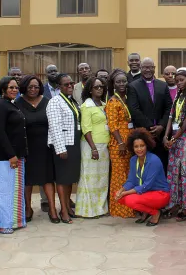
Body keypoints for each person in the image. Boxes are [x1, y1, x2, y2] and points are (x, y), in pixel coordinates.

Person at [15, 75, 58, 223]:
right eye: (30, 87)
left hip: (45, 147)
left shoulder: (47, 102)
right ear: (25, 87)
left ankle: (52, 209)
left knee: (47, 178)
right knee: (27, 180)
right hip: (26, 146)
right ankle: (27, 208)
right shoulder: (18, 103)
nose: (33, 89)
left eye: (36, 87)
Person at [0, 76, 27, 234]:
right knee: (2, 191)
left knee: (13, 190)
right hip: (3, 157)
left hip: (15, 155)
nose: (14, 90)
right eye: (11, 87)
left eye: (16, 88)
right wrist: (11, 155)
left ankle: (13, 220)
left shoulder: (11, 104)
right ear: (3, 89)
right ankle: (1, 224)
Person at [162, 70, 186, 221]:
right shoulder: (178, 96)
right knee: (172, 170)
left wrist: (175, 138)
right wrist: (166, 135)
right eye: (177, 81)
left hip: (185, 137)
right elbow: (171, 117)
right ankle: (174, 202)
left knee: (184, 171)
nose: (179, 83)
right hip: (174, 137)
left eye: (181, 80)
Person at [115, 128, 170, 226]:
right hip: (145, 193)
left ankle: (155, 213)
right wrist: (121, 190)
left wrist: (125, 193)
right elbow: (131, 181)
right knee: (117, 195)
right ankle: (146, 211)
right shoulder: (133, 160)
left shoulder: (154, 160)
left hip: (160, 194)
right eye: (136, 146)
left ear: (147, 146)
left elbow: (146, 186)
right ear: (132, 147)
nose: (139, 149)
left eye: (142, 146)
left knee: (129, 199)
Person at [47, 74, 82, 224]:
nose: (69, 86)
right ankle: (63, 210)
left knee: (70, 179)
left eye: (71, 84)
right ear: (58, 87)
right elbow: (54, 127)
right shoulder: (55, 102)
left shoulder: (72, 100)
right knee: (62, 179)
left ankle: (67, 206)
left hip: (74, 144)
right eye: (65, 84)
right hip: (63, 146)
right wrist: (60, 149)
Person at [127, 57, 173, 169]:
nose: (148, 70)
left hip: (161, 134)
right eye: (145, 67)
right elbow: (134, 109)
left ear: (154, 68)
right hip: (142, 133)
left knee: (161, 164)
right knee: (144, 165)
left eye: (150, 67)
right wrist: (151, 127)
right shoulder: (133, 86)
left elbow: (169, 107)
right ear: (141, 68)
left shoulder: (162, 85)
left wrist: (161, 126)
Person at [77, 77, 110, 218]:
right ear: (90, 90)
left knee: (101, 179)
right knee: (89, 179)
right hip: (91, 146)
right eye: (96, 87)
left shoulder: (104, 104)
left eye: (101, 86)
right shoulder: (86, 106)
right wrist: (93, 148)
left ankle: (100, 209)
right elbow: (86, 128)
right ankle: (88, 211)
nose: (99, 89)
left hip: (105, 146)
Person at [106, 69, 136, 218]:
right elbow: (112, 125)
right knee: (119, 176)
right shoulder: (113, 101)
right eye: (118, 81)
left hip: (129, 141)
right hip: (119, 144)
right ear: (113, 84)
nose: (122, 84)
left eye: (124, 81)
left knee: (128, 175)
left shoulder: (127, 98)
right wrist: (120, 143)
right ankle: (119, 209)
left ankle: (129, 206)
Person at [40, 64, 60, 213]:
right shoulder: (42, 90)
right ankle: (45, 200)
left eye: (55, 71)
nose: (53, 73)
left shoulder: (64, 88)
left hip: (63, 133)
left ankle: (65, 198)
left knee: (61, 167)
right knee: (45, 168)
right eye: (50, 71)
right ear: (46, 74)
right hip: (45, 133)